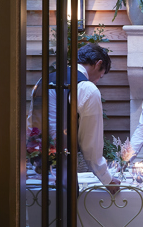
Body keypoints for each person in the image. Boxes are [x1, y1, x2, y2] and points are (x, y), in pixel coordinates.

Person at [27, 44, 120, 193]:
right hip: (64, 178)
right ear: (98, 64)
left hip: (33, 177)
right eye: (100, 77)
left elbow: (31, 125)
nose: (97, 81)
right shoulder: (87, 89)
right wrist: (106, 179)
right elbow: (90, 145)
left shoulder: (41, 81)